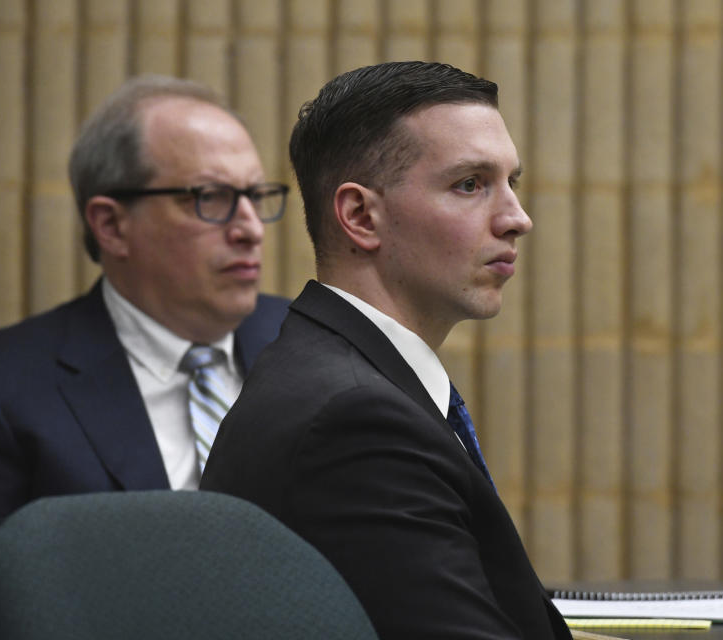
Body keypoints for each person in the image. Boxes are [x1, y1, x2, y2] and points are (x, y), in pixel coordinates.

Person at [0, 74, 290, 639]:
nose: (251, 229)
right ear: (111, 224)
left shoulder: (312, 344)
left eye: (255, 197)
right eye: (211, 199)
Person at [200, 61, 571, 639]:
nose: (517, 218)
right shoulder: (355, 421)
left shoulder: (346, 374)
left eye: (511, 183)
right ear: (359, 216)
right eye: (470, 184)